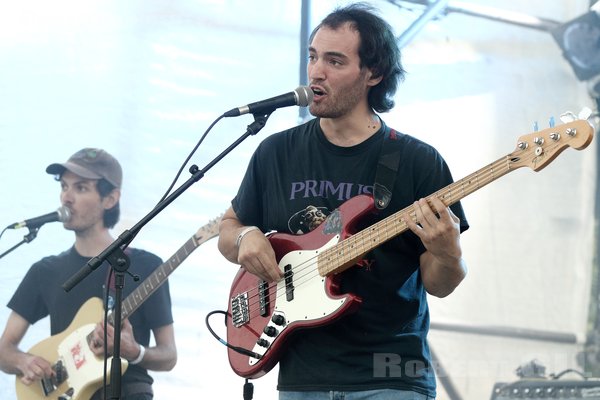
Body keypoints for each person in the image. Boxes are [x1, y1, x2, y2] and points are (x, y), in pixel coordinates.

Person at [218, 3, 468, 400]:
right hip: (303, 376)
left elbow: (439, 285)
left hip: (391, 376)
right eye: (313, 57)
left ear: (374, 73)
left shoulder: (418, 162)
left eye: (335, 61)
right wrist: (247, 235)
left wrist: (449, 255)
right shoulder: (275, 152)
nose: (317, 71)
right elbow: (228, 231)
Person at [0, 148, 177, 399]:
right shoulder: (45, 271)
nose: (66, 198)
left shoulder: (146, 265)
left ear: (111, 198)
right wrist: (23, 361)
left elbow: (169, 355)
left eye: (80, 188)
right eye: (64, 187)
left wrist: (135, 351)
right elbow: (4, 350)